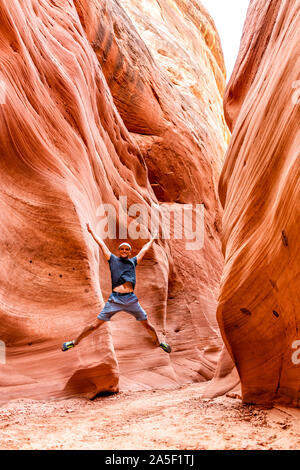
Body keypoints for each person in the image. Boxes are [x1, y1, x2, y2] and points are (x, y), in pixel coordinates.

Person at [61, 223, 171, 353]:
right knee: (94, 326)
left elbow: (144, 249)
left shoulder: (133, 261)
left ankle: (159, 343)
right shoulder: (112, 259)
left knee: (147, 324)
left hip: (130, 299)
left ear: (129, 252)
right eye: (122, 249)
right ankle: (73, 343)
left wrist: (153, 238)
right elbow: (102, 244)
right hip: (115, 300)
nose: (124, 251)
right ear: (119, 251)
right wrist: (91, 232)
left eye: (126, 249)